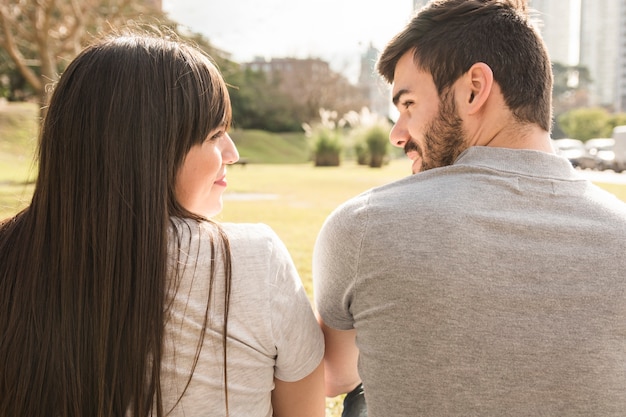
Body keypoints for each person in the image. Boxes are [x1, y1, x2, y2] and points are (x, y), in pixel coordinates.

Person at [313, 0, 626, 416]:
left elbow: (333, 376)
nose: (397, 133)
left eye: (407, 104)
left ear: (474, 88)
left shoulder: (366, 225)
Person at [0, 28, 325, 417]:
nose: (232, 153)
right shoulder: (254, 259)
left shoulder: (10, 252)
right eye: (215, 134)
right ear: (150, 150)